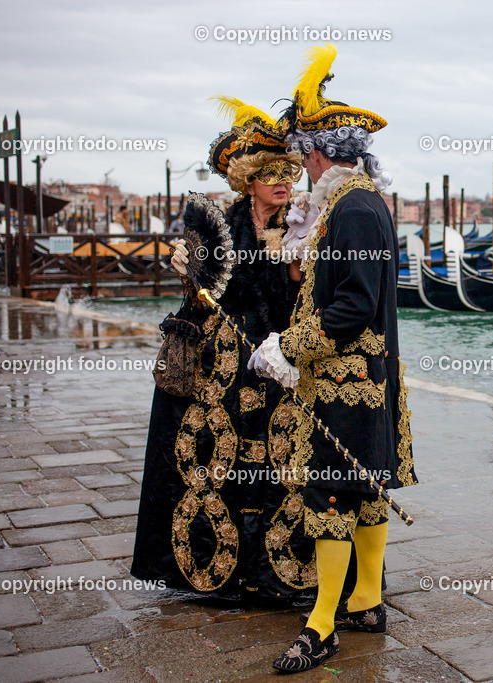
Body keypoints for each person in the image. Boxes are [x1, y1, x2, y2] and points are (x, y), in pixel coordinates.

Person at [248, 44, 417, 674]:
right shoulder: (357, 203)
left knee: (330, 497)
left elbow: (355, 305)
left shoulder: (353, 208)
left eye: (303, 153)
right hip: (359, 379)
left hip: (348, 382)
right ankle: (366, 601)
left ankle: (323, 626)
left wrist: (287, 347)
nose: (300, 163)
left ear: (321, 152)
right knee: (364, 490)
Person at [131, 98, 320, 604]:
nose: (282, 181)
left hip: (280, 362)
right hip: (223, 371)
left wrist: (296, 267)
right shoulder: (222, 226)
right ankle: (228, 573)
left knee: (282, 463)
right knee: (218, 463)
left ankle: (280, 572)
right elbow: (203, 299)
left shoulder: (303, 225)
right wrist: (189, 277)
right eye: (270, 172)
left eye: (288, 170)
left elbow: (303, 301)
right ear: (248, 179)